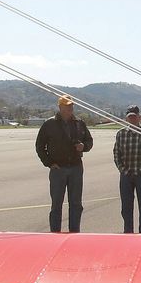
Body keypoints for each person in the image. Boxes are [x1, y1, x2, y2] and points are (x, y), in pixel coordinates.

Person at [35, 95, 92, 233]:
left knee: (76, 204)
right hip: (58, 169)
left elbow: (89, 142)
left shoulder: (79, 123)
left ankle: (74, 232)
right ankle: (55, 233)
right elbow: (40, 146)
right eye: (67, 106)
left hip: (76, 167)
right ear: (60, 107)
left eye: (71, 106)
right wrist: (49, 163)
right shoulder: (49, 124)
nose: (70, 108)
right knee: (56, 205)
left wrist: (83, 146)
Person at [113, 105, 141, 234]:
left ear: (139, 117)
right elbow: (116, 154)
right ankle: (128, 233)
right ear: (127, 119)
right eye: (130, 117)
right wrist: (122, 169)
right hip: (126, 176)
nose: (132, 119)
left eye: (134, 116)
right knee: (126, 208)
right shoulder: (121, 134)